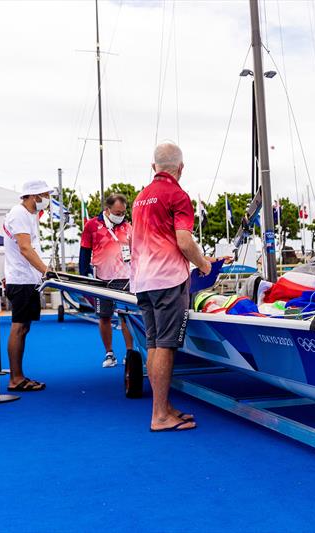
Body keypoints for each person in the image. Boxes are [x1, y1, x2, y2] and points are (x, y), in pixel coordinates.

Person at [131, 142, 213, 432]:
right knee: (166, 345)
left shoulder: (140, 198)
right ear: (181, 168)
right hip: (167, 280)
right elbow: (183, 241)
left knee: (154, 343)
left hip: (142, 280)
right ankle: (160, 415)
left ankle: (162, 408)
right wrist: (203, 264)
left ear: (153, 167)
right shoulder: (178, 196)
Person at [2, 180, 52, 392]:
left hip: (28, 279)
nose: (48, 199)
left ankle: (18, 375)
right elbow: (24, 248)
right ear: (34, 196)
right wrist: (46, 271)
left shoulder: (29, 216)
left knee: (24, 327)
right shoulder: (19, 213)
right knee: (19, 326)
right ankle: (15, 378)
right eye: (46, 195)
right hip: (21, 280)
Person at [79, 193, 135, 367]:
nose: (120, 216)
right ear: (107, 209)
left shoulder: (129, 227)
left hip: (126, 278)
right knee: (104, 317)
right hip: (102, 280)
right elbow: (84, 253)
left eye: (123, 213)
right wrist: (83, 277)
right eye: (117, 213)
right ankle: (109, 353)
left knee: (127, 317)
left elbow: (137, 252)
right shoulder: (92, 226)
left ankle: (130, 353)